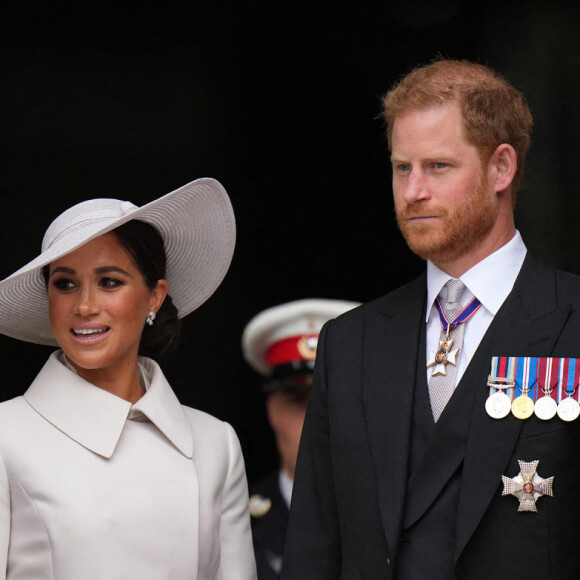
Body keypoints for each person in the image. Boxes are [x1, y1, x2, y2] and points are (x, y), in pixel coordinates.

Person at [282, 59, 580, 580]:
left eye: (438, 166)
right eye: (402, 168)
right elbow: (313, 549)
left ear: (501, 168)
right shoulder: (348, 344)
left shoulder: (572, 318)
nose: (413, 190)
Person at [0, 178, 257, 579]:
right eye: (65, 284)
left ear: (154, 296)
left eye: (109, 282)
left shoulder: (214, 443)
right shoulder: (6, 435)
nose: (84, 305)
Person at [241, 299, 359, 580]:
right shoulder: (234, 524)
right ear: (272, 409)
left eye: (332, 400)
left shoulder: (403, 519)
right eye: (296, 400)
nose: (314, 419)